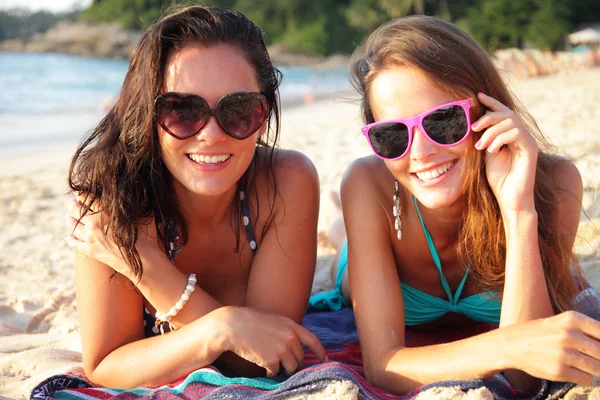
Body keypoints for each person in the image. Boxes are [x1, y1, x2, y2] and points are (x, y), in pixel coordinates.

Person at [312, 15, 600, 395]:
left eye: (444, 121)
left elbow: (525, 380)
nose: (421, 153)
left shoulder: (554, 185)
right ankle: (337, 219)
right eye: (392, 135)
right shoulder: (369, 183)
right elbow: (382, 366)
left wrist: (518, 211)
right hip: (374, 243)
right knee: (342, 256)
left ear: (486, 110)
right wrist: (512, 344)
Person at [65, 5, 326, 389]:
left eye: (237, 110)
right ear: (147, 114)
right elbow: (105, 365)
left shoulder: (287, 182)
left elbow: (267, 359)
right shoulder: (113, 200)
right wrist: (222, 328)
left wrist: (147, 267)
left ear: (264, 115)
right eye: (182, 110)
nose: (211, 134)